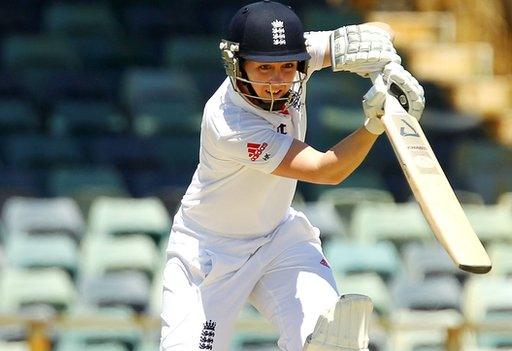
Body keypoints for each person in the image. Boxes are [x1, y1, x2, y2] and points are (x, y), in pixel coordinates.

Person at [159, 1, 425, 350]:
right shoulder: (230, 123)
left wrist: (385, 65)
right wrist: (376, 125)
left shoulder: (300, 56)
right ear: (237, 63)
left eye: (287, 67)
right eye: (263, 69)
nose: (277, 81)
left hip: (279, 240)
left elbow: (376, 34)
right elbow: (325, 169)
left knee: (331, 340)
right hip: (209, 255)